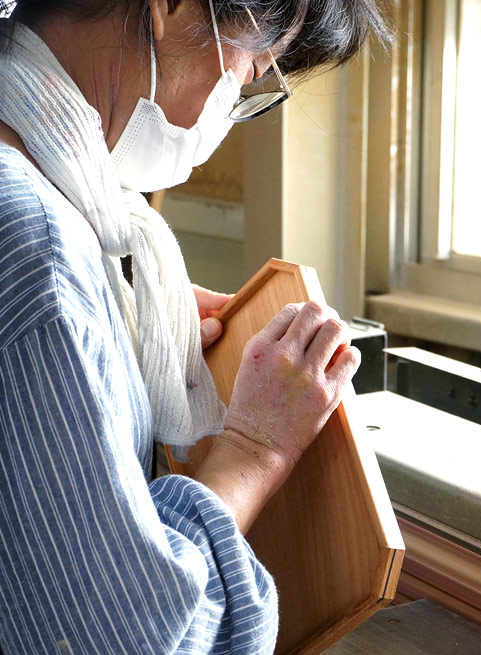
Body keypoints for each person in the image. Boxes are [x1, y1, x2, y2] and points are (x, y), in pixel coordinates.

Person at [0, 0, 390, 652]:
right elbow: (128, 639)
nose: (232, 100)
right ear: (170, 9)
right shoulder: (36, 244)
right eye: (249, 67)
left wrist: (107, 324)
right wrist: (253, 448)